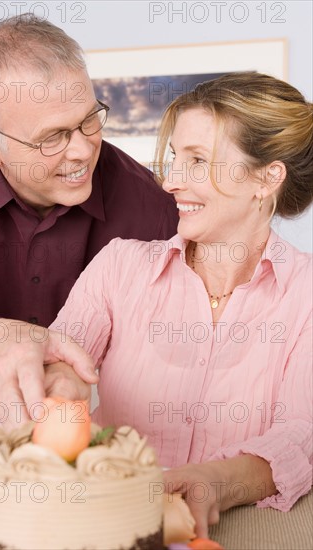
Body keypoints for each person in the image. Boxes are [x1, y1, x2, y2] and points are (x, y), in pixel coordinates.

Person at [50, 72, 313, 537]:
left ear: (266, 178)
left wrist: (212, 483)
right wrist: (58, 385)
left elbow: (300, 436)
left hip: (242, 528)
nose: (170, 182)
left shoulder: (305, 292)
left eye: (197, 161)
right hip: (108, 522)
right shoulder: (119, 267)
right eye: (174, 158)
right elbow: (59, 360)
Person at [0, 14, 178, 429]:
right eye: (52, 137)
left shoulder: (151, 206)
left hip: (84, 409)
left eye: (89, 120)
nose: (82, 151)